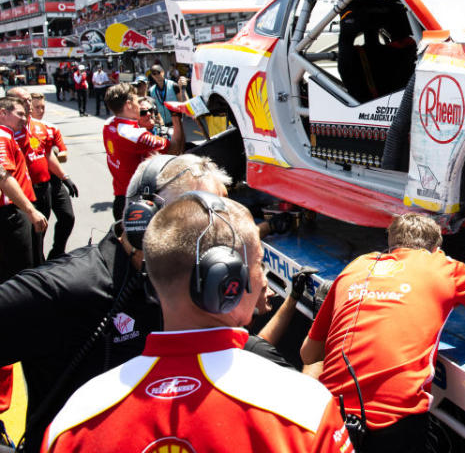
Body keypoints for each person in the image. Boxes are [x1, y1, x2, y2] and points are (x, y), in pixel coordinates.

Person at [0, 153, 297, 453]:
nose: (222, 238)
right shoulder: (66, 288)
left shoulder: (199, 284)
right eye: (204, 222)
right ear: (143, 219)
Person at [41, 192, 353, 453]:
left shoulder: (75, 418)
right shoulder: (303, 408)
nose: (262, 281)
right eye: (258, 263)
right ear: (226, 282)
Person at [301, 213, 465, 452]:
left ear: (390, 243)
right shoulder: (444, 267)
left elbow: (308, 354)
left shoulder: (356, 267)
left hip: (331, 419)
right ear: (436, 248)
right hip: (396, 422)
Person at [6, 88, 78, 266]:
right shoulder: (8, 132)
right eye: (23, 101)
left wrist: (64, 176)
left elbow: (47, 154)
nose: (28, 104)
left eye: (29, 100)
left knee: (64, 218)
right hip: (24, 191)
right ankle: (38, 266)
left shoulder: (41, 127)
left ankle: (55, 255)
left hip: (46, 184)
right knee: (34, 234)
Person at [103, 83, 185, 220]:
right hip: (138, 203)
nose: (138, 103)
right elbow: (175, 149)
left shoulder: (109, 123)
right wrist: (176, 116)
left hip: (121, 197)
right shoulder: (135, 136)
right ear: (128, 104)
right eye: (136, 101)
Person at [0, 97, 46, 282]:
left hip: (14, 211)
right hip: (11, 212)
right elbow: (3, 176)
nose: (24, 118)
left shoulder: (8, 135)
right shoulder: (2, 137)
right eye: (19, 114)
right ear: (3, 113)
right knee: (21, 272)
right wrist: (30, 210)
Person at [30, 93, 76, 260]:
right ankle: (37, 260)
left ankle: (57, 252)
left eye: (43, 107)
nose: (40, 110)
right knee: (40, 225)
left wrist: (65, 176)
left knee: (67, 217)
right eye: (37, 107)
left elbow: (61, 152)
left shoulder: (50, 128)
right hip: (36, 183)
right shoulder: (22, 130)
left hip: (54, 179)